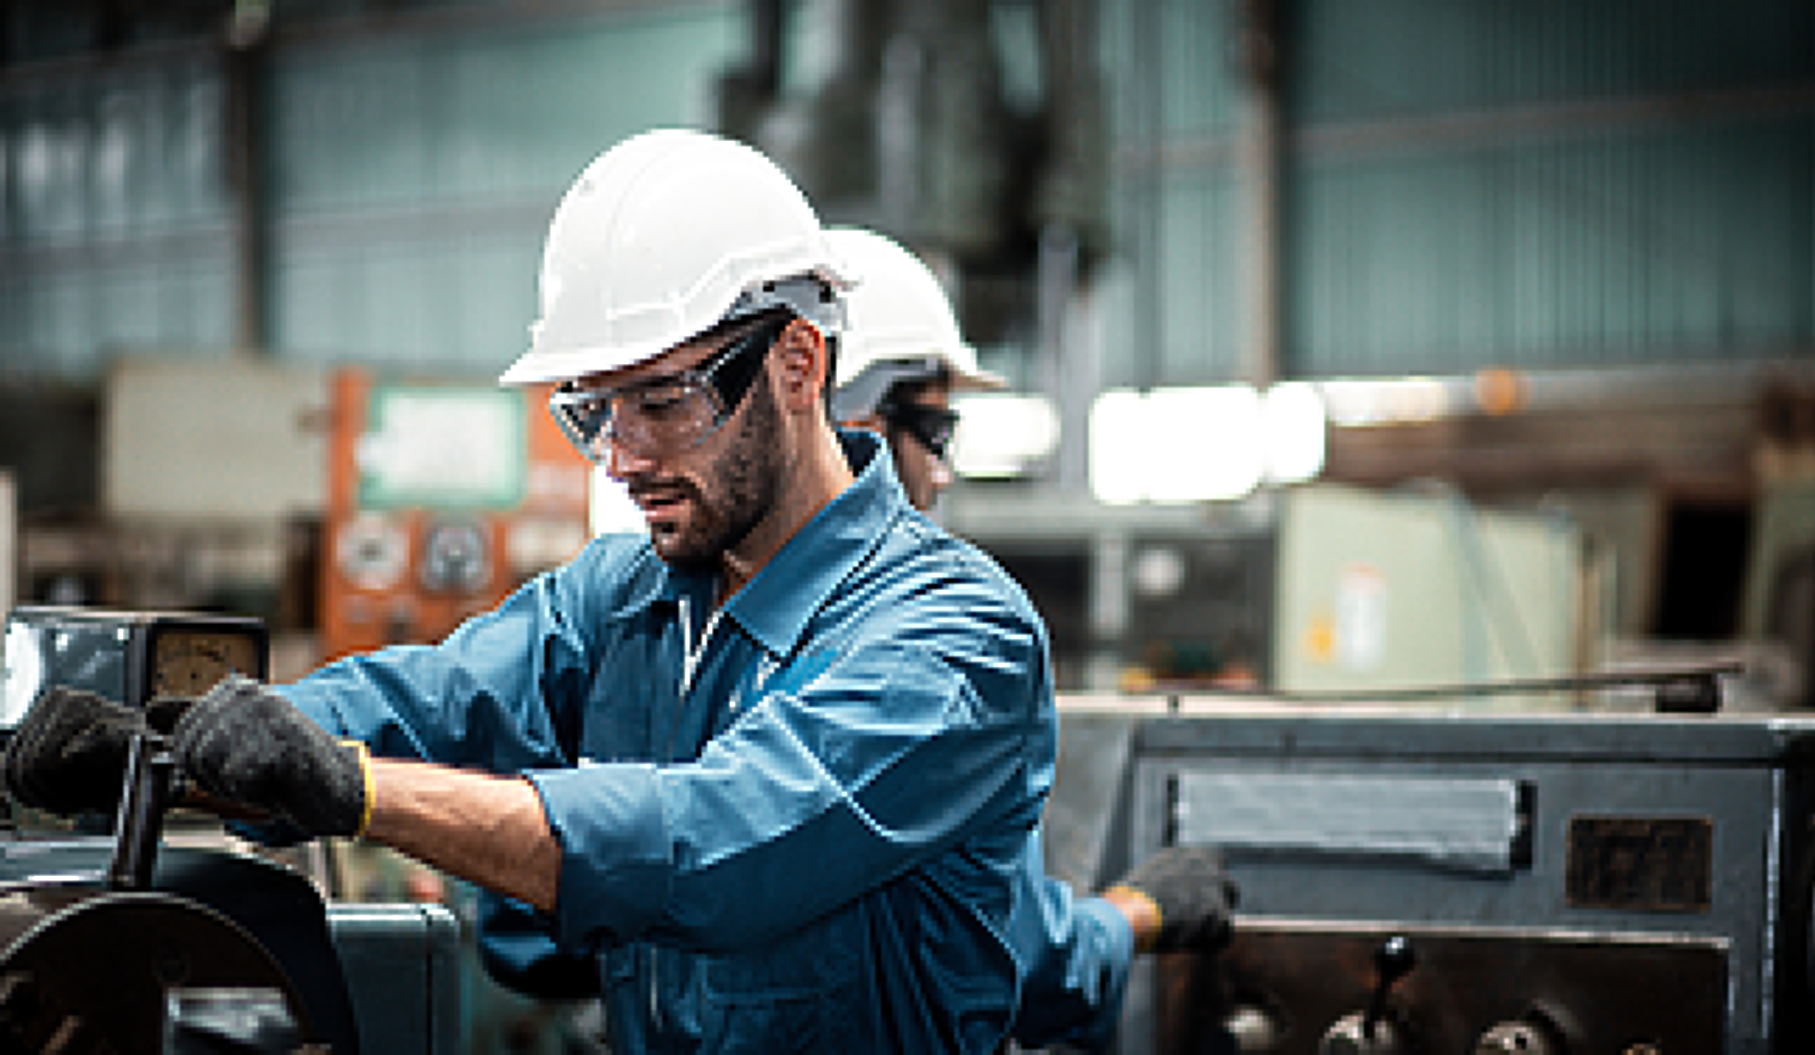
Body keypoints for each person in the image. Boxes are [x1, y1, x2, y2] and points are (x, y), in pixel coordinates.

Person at [0, 128, 1218, 1054]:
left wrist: (356, 792)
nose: (621, 456)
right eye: (591, 410)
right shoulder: (627, 594)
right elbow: (428, 695)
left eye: (659, 400)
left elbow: (713, 841)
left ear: (796, 361)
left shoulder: (952, 637)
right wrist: (170, 749)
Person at [825, 225, 1241, 1049]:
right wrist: (1135, 914)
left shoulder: (666, 629)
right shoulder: (927, 655)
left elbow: (532, 929)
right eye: (934, 432)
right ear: (858, 420)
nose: (941, 475)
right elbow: (1009, 965)